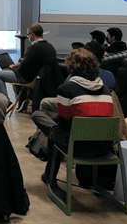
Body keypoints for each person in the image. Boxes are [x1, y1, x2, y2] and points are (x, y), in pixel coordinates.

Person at [38, 48, 114, 199]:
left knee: (46, 124)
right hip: (104, 148)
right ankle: (49, 175)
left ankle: (50, 177)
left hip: (78, 148)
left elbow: (64, 125)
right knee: (56, 129)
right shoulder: (106, 90)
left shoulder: (66, 89)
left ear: (71, 66)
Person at [0, 23, 57, 100]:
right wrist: (20, 64)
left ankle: (4, 101)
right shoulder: (50, 47)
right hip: (42, 77)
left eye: (28, 34)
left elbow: (23, 69)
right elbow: (34, 62)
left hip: (28, 78)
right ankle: (19, 101)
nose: (28, 37)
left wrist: (13, 67)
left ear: (32, 35)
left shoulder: (33, 48)